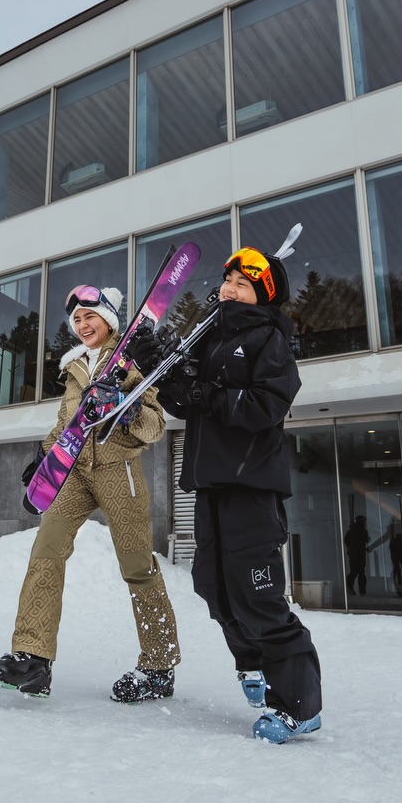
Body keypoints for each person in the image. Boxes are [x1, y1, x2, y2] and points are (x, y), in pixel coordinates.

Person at [126, 246, 323, 743]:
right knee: (212, 586)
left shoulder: (269, 339)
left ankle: (299, 705)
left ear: (263, 295)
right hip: (211, 485)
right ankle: (252, 662)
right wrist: (160, 366)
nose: (230, 289)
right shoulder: (210, 337)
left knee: (258, 595)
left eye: (243, 284)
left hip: (251, 486)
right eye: (228, 280)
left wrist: (204, 393)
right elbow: (183, 398)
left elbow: (267, 404)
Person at [0, 285, 181, 702]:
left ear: (108, 319)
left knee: (137, 565)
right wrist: (43, 459)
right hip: (73, 472)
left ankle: (159, 664)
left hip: (118, 468)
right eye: (76, 320)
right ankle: (33, 658)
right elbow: (65, 424)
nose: (82, 324)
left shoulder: (131, 359)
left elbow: (155, 427)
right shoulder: (74, 368)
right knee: (46, 553)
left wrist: (126, 410)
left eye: (90, 316)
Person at [343, 515, 369, 596]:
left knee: (355, 572)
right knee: (359, 573)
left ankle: (350, 586)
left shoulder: (351, 530)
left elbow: (346, 540)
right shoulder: (362, 531)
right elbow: (366, 540)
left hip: (353, 554)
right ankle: (361, 590)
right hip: (359, 554)